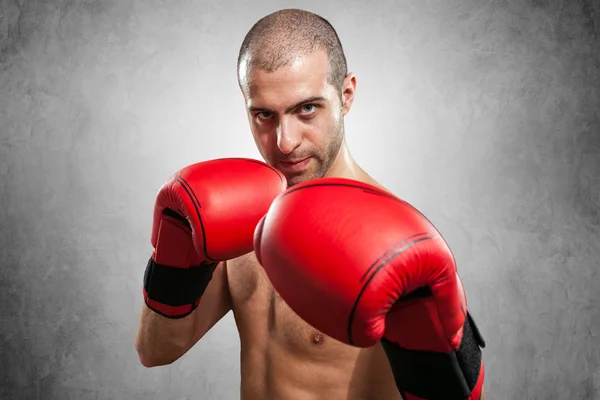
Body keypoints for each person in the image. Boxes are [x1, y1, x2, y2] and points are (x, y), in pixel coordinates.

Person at [134, 9, 487, 400]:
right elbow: (156, 351)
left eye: (306, 109)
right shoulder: (237, 221)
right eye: (264, 115)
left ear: (347, 94)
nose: (285, 142)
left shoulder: (394, 244)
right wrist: (174, 255)